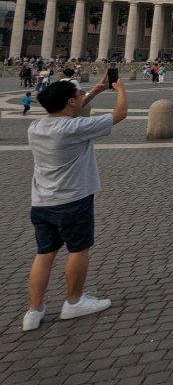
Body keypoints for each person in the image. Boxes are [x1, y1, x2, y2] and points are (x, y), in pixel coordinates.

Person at [22, 76, 128, 331]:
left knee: (44, 255)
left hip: (42, 202)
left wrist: (93, 91)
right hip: (72, 199)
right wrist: (120, 89)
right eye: (79, 93)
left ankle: (34, 311)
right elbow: (120, 113)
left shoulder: (36, 127)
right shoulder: (75, 128)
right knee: (78, 250)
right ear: (71, 101)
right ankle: (74, 301)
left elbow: (67, 112)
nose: (82, 96)